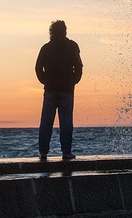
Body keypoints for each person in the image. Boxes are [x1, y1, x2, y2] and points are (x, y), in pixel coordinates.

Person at [35, 20, 83, 161]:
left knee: (46, 121)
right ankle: (66, 152)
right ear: (65, 31)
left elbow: (38, 68)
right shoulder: (72, 46)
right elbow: (79, 66)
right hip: (67, 89)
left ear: (51, 32)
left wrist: (45, 81)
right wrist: (74, 81)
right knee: (66, 121)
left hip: (50, 89)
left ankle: (43, 152)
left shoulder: (46, 48)